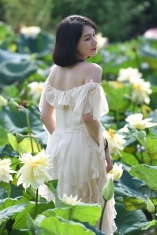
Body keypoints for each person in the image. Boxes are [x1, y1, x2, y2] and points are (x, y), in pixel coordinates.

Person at [39, 15, 116, 234]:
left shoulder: (54, 71)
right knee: (89, 209)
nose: (94, 42)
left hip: (57, 145)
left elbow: (45, 115)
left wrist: (62, 138)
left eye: (94, 36)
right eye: (87, 38)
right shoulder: (92, 70)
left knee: (63, 207)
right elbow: (89, 118)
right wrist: (105, 149)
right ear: (71, 43)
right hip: (83, 145)